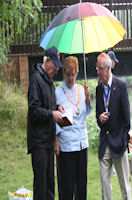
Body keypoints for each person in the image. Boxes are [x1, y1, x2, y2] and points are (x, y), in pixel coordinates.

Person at [27, 46, 65, 200]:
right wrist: (51, 114)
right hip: (39, 142)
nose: (56, 70)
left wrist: (57, 108)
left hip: (48, 141)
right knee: (41, 186)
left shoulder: (49, 82)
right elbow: (34, 110)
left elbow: (47, 106)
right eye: (54, 66)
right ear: (47, 60)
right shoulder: (36, 79)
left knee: (50, 184)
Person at [54, 56, 92, 200]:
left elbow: (86, 113)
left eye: (73, 74)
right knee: (66, 185)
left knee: (81, 184)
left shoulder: (82, 90)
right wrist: (56, 139)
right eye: (68, 74)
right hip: (66, 145)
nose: (71, 78)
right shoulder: (57, 92)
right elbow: (54, 119)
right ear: (63, 74)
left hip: (82, 143)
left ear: (77, 73)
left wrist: (88, 99)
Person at [96, 52, 132, 200]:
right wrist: (100, 118)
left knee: (124, 186)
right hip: (105, 143)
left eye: (99, 68)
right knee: (105, 186)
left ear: (107, 69)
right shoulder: (98, 89)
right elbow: (98, 117)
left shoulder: (121, 86)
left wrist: (123, 139)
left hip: (119, 143)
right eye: (97, 68)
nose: (97, 72)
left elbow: (127, 120)